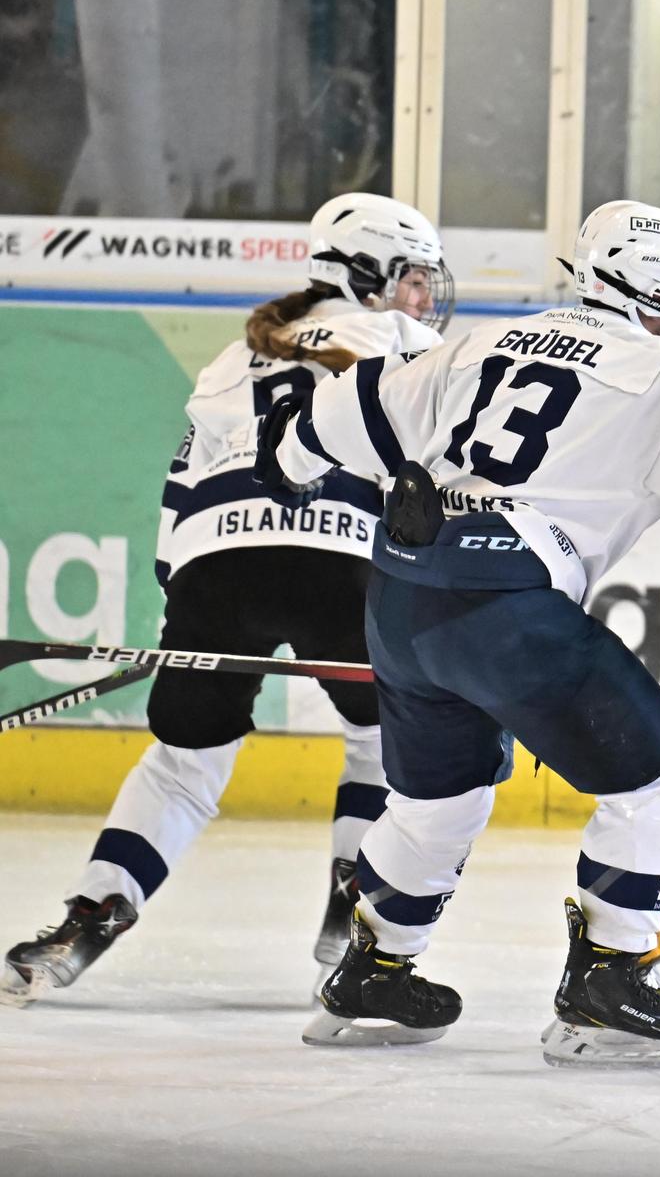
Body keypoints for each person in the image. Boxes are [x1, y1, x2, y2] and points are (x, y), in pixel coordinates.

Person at [257, 199, 660, 1068]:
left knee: (436, 800)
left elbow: (333, 413)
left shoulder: (477, 342)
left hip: (401, 603)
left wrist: (289, 467)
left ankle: (373, 972)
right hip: (507, 607)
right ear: (653, 290)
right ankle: (610, 979)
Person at [3, 193, 454, 1003]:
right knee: (385, 739)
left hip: (217, 566)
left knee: (183, 762)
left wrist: (185, 604)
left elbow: (181, 487)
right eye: (414, 278)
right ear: (367, 274)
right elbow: (436, 477)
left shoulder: (237, 351)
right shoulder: (405, 343)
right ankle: (353, 915)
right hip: (342, 564)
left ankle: (89, 917)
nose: (423, 298)